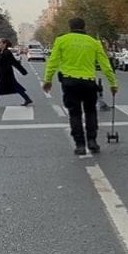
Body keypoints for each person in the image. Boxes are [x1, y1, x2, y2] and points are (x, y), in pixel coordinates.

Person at [42, 18, 118, 155]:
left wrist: (47, 80)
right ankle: (92, 141)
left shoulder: (62, 40)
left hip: (69, 83)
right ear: (84, 27)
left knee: (74, 114)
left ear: (70, 27)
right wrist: (113, 84)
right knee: (91, 112)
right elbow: (105, 65)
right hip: (89, 83)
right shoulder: (94, 42)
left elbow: (52, 62)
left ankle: (80, 145)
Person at [0, 38, 32, 107]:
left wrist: (23, 71)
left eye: (0, 43)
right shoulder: (1, 52)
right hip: (3, 73)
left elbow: (14, 62)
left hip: (7, 73)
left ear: (4, 44)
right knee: (14, 86)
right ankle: (27, 99)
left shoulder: (7, 52)